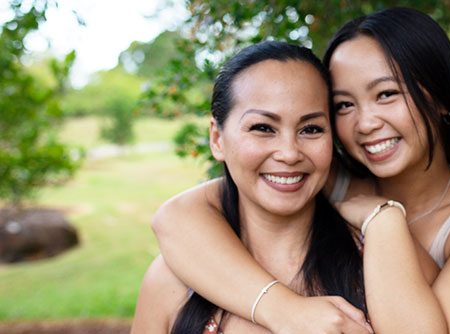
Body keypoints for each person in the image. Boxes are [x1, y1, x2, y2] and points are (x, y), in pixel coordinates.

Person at [151, 7, 450, 333]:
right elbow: (176, 219)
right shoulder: (324, 173)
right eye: (343, 105)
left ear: (441, 100)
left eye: (386, 94)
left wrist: (383, 220)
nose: (365, 123)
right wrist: (283, 309)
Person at [131, 41, 374, 334]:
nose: (289, 152)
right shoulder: (171, 281)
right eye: (263, 127)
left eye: (310, 129)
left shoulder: (375, 263)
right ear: (217, 139)